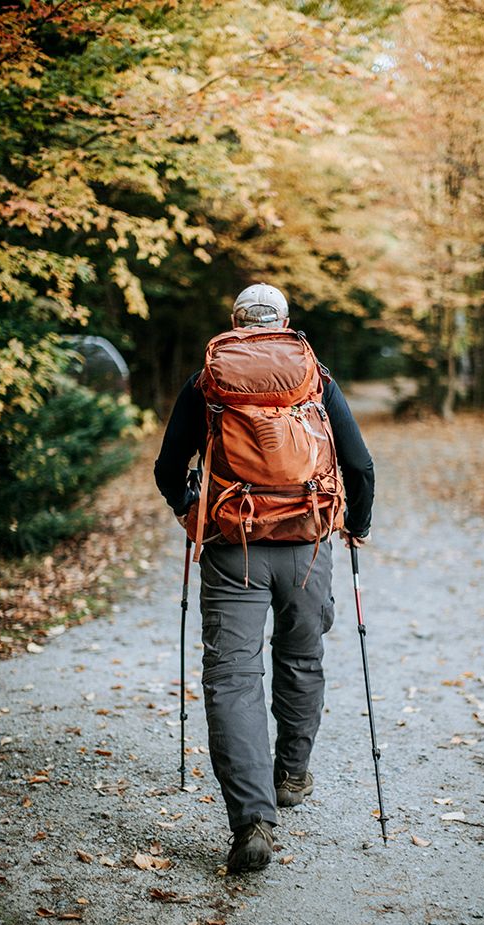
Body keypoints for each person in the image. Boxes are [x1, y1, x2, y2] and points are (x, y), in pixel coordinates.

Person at [154, 283, 374, 873]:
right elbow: (359, 464)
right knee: (301, 660)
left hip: (233, 546)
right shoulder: (314, 375)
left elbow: (168, 466)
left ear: (234, 321)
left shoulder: (209, 381)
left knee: (231, 678)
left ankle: (252, 821)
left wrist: (187, 509)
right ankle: (292, 774)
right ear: (282, 323)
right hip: (306, 543)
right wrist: (359, 524)